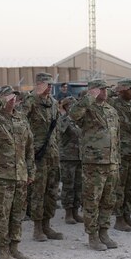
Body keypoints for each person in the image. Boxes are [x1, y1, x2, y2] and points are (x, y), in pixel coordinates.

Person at [0, 86, 35, 259]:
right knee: (3, 214)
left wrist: (30, 170)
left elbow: (29, 147)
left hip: (20, 173)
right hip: (2, 174)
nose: (12, 99)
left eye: (14, 96)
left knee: (17, 214)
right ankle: (3, 251)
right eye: (8, 96)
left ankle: (15, 248)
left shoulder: (20, 118)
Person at [70, 79, 121, 251]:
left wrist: (116, 159)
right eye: (100, 89)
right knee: (92, 200)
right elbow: (73, 114)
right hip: (94, 163)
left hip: (111, 162)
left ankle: (104, 232)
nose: (104, 92)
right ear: (92, 91)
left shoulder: (111, 110)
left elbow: (116, 137)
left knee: (108, 200)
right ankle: (92, 236)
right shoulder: (86, 109)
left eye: (105, 89)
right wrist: (88, 98)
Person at [23, 73, 63, 242]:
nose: (50, 88)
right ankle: (37, 228)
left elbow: (57, 129)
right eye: (47, 84)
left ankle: (47, 225)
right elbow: (21, 123)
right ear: (39, 84)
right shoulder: (30, 101)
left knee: (51, 191)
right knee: (38, 192)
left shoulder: (53, 103)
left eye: (51, 85)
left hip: (52, 153)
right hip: (37, 154)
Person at [109, 79, 131, 232]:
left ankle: (128, 216)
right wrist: (115, 89)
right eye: (130, 89)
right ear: (122, 90)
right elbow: (101, 98)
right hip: (120, 154)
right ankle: (119, 219)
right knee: (119, 187)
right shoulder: (113, 104)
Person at [58, 96, 83, 225]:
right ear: (66, 107)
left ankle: (76, 211)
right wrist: (67, 117)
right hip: (68, 157)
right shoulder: (63, 119)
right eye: (71, 106)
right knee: (68, 185)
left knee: (79, 185)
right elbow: (61, 130)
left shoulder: (80, 120)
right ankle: (68, 213)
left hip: (80, 157)